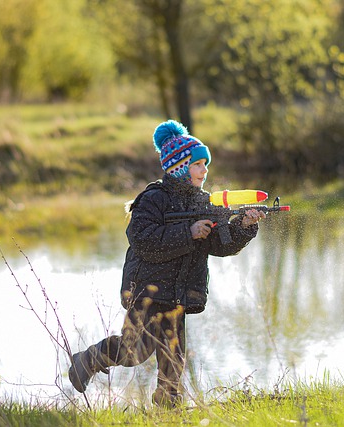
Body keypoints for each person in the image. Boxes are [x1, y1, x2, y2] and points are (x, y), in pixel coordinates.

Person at [68, 119, 266, 406]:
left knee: (174, 358)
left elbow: (220, 245)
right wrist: (188, 233)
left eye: (205, 164)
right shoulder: (153, 198)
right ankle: (88, 359)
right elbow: (143, 239)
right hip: (147, 293)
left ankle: (168, 408)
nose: (205, 170)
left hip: (178, 292)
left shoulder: (203, 202)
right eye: (198, 164)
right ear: (180, 166)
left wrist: (244, 225)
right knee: (133, 351)